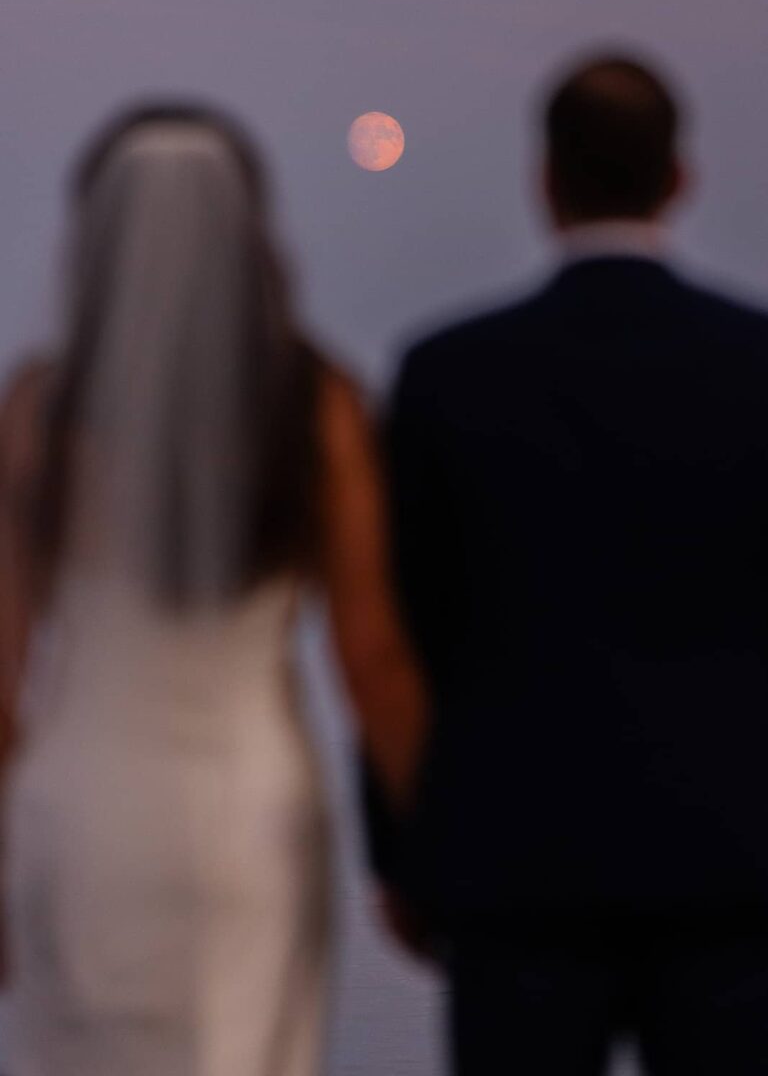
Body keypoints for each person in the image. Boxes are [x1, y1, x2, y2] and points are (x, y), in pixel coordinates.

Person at [0, 104, 427, 1076]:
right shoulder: (316, 406)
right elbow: (372, 656)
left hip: (84, 810)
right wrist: (433, 850)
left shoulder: (37, 416)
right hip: (250, 818)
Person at [373, 53, 768, 1074]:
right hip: (734, 855)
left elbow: (403, 626)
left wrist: (402, 849)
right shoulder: (753, 364)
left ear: (544, 180)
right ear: (679, 177)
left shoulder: (449, 375)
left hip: (518, 860)